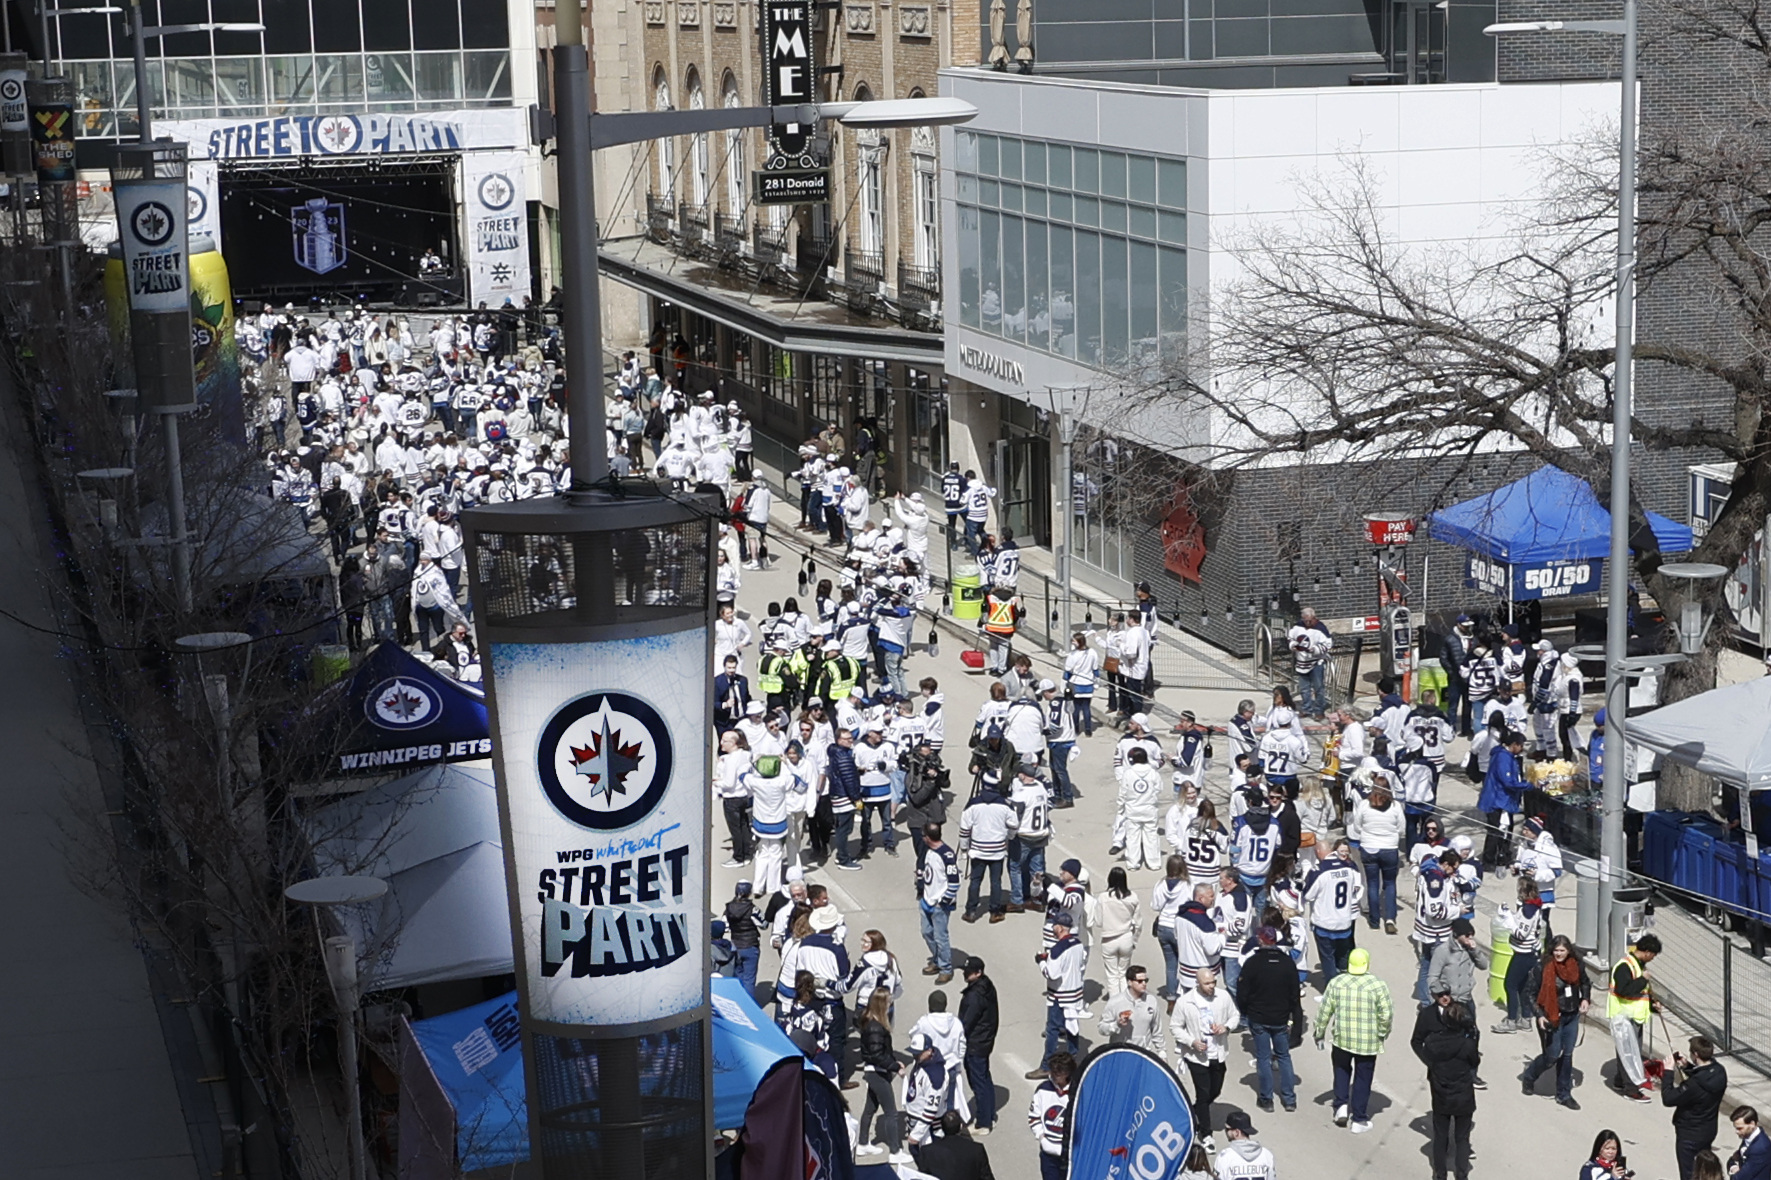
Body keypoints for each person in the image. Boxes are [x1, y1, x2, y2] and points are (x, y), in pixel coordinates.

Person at [1315, 947, 1393, 1134]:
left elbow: (1325, 1010)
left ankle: (1341, 1105)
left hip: (1342, 1038)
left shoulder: (1337, 982)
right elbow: (1386, 1014)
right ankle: (1359, 1118)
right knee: (1363, 1078)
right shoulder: (1377, 985)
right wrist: (1382, 1033)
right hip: (1368, 1042)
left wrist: (1319, 1032)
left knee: (1341, 1071)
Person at [1235, 927, 1301, 1114]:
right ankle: (1289, 1099)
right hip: (1280, 1017)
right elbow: (1295, 994)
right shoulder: (1287, 963)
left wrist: (1246, 1011)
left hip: (1259, 1017)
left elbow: (1242, 993)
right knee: (1284, 1056)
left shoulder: (1253, 963)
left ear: (1261, 941)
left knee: (1263, 1057)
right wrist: (1292, 1016)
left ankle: (1267, 1099)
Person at [1417, 1000, 1480, 1180]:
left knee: (1440, 1136)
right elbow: (1474, 1062)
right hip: (1463, 1096)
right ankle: (1461, 1173)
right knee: (1462, 1137)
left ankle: (1440, 1172)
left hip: (1441, 1094)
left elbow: (1427, 1057)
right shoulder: (1467, 1044)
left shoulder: (1433, 1042)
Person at [1175, 966, 1239, 1143]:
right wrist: (1192, 1042)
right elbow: (1175, 1027)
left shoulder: (1223, 997)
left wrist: (1225, 1027)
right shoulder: (1185, 1002)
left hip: (1218, 1053)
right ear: (1198, 983)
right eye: (1207, 983)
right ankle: (1206, 1132)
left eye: (1213, 982)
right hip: (1197, 1057)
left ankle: (1193, 1110)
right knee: (1203, 1094)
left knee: (1215, 1090)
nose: (1211, 986)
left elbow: (1234, 1016)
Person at [1664, 1037, 1729, 1180]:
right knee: (1704, 1169)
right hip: (1708, 1130)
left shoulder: (1694, 1086)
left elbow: (1668, 1098)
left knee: (1689, 1173)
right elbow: (1704, 1074)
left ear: (1696, 1054)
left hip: (1689, 1135)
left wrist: (1668, 1072)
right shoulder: (1720, 1072)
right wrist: (1688, 1067)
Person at [1609, 932, 1662, 1103]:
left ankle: (1620, 1079)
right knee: (1630, 1053)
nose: (1652, 959)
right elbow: (1624, 990)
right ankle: (1631, 1089)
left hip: (1633, 1016)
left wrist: (1653, 1004)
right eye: (1653, 955)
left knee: (1628, 1051)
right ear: (1647, 952)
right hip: (1623, 1018)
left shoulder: (1638, 965)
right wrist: (1642, 980)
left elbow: (1642, 993)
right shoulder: (1625, 966)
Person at [1033, 911, 1086, 1075]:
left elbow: (1052, 974)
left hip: (1060, 996)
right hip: (1075, 994)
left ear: (1060, 928)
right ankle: (1072, 1059)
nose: (1053, 928)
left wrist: (1042, 962)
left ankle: (1046, 1066)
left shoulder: (1057, 949)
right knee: (1072, 1027)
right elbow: (1081, 965)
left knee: (1052, 1030)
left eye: (1055, 925)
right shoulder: (1078, 944)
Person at [1303, 839, 1363, 980]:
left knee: (1327, 958)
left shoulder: (1319, 871)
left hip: (1325, 922)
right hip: (1344, 920)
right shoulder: (1348, 867)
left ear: (1318, 852)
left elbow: (1308, 895)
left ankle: (1332, 990)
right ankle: (1344, 982)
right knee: (1343, 956)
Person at [1349, 783, 1404, 934]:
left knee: (1372, 883)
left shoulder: (1364, 805)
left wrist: (1368, 834)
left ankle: (1374, 920)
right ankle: (1390, 918)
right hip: (1389, 848)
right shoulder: (1395, 806)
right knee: (1390, 884)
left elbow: (1357, 826)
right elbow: (1401, 828)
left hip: (1369, 847)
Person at [856, 987, 903, 1158]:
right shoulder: (875, 1027)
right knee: (891, 1112)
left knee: (870, 1109)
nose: (891, 1004)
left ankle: (862, 1143)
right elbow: (877, 1055)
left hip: (874, 1071)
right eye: (889, 1001)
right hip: (877, 1072)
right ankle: (895, 1151)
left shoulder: (871, 1023)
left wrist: (892, 1063)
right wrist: (895, 1067)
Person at [959, 956, 999, 1135]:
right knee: (984, 1077)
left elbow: (967, 1022)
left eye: (968, 973)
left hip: (976, 1043)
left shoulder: (975, 996)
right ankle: (989, 1115)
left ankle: (983, 1123)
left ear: (978, 973)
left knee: (978, 1081)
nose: (965, 975)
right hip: (985, 1040)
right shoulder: (986, 986)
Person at [919, 823, 960, 983]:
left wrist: (943, 902)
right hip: (926, 900)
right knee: (926, 932)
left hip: (939, 905)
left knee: (940, 937)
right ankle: (936, 960)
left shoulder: (947, 855)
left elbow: (955, 882)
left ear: (927, 837)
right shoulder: (930, 852)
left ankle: (945, 968)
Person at [1426, 918, 1489, 1018]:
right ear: (1456, 935)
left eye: (1472, 935)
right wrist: (1439, 996)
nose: (1470, 938)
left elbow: (1484, 965)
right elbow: (1432, 976)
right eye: (1467, 935)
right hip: (1449, 1000)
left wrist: (1475, 950)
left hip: (1466, 998)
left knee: (1471, 1030)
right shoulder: (1442, 951)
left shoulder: (1471, 950)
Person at [1097, 866, 1142, 999]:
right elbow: (1138, 923)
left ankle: (1115, 1003)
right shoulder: (1132, 897)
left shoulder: (1103, 897)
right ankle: (1125, 1000)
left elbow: (1098, 921)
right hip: (1126, 938)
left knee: (1112, 975)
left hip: (1108, 939)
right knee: (1123, 973)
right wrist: (1134, 940)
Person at [1098, 962, 1165, 1051]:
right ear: (1129, 982)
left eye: (1146, 980)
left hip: (1143, 1053)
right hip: (1121, 1052)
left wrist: (1162, 1051)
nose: (1144, 983)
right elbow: (1102, 1028)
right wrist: (1116, 1025)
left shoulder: (1151, 1001)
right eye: (1140, 981)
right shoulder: (1115, 1002)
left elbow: (1156, 1029)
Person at [1028, 1051, 1073, 1180]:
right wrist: (1042, 1138)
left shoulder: (1078, 1092)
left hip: (1070, 1156)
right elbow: (1034, 1116)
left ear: (1067, 1073)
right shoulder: (1043, 1089)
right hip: (1048, 1156)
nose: (1053, 1076)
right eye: (1052, 1072)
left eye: (1058, 1074)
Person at [913, 1110, 995, 1180]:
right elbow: (986, 1177)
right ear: (960, 1127)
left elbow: (923, 1177)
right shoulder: (977, 1149)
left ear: (942, 1127)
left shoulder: (927, 1151)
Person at [1214, 1111, 1276, 1180]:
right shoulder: (1266, 1155)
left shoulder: (1224, 1157)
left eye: (1227, 1129)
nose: (1225, 1132)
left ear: (1236, 1132)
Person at [1729, 1107, 1771, 1180]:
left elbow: (1740, 1178)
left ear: (1752, 1124)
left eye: (1740, 1128)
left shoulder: (1760, 1148)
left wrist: (1734, 1171)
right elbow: (1735, 1158)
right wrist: (1733, 1166)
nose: (1736, 1132)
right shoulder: (1748, 1137)